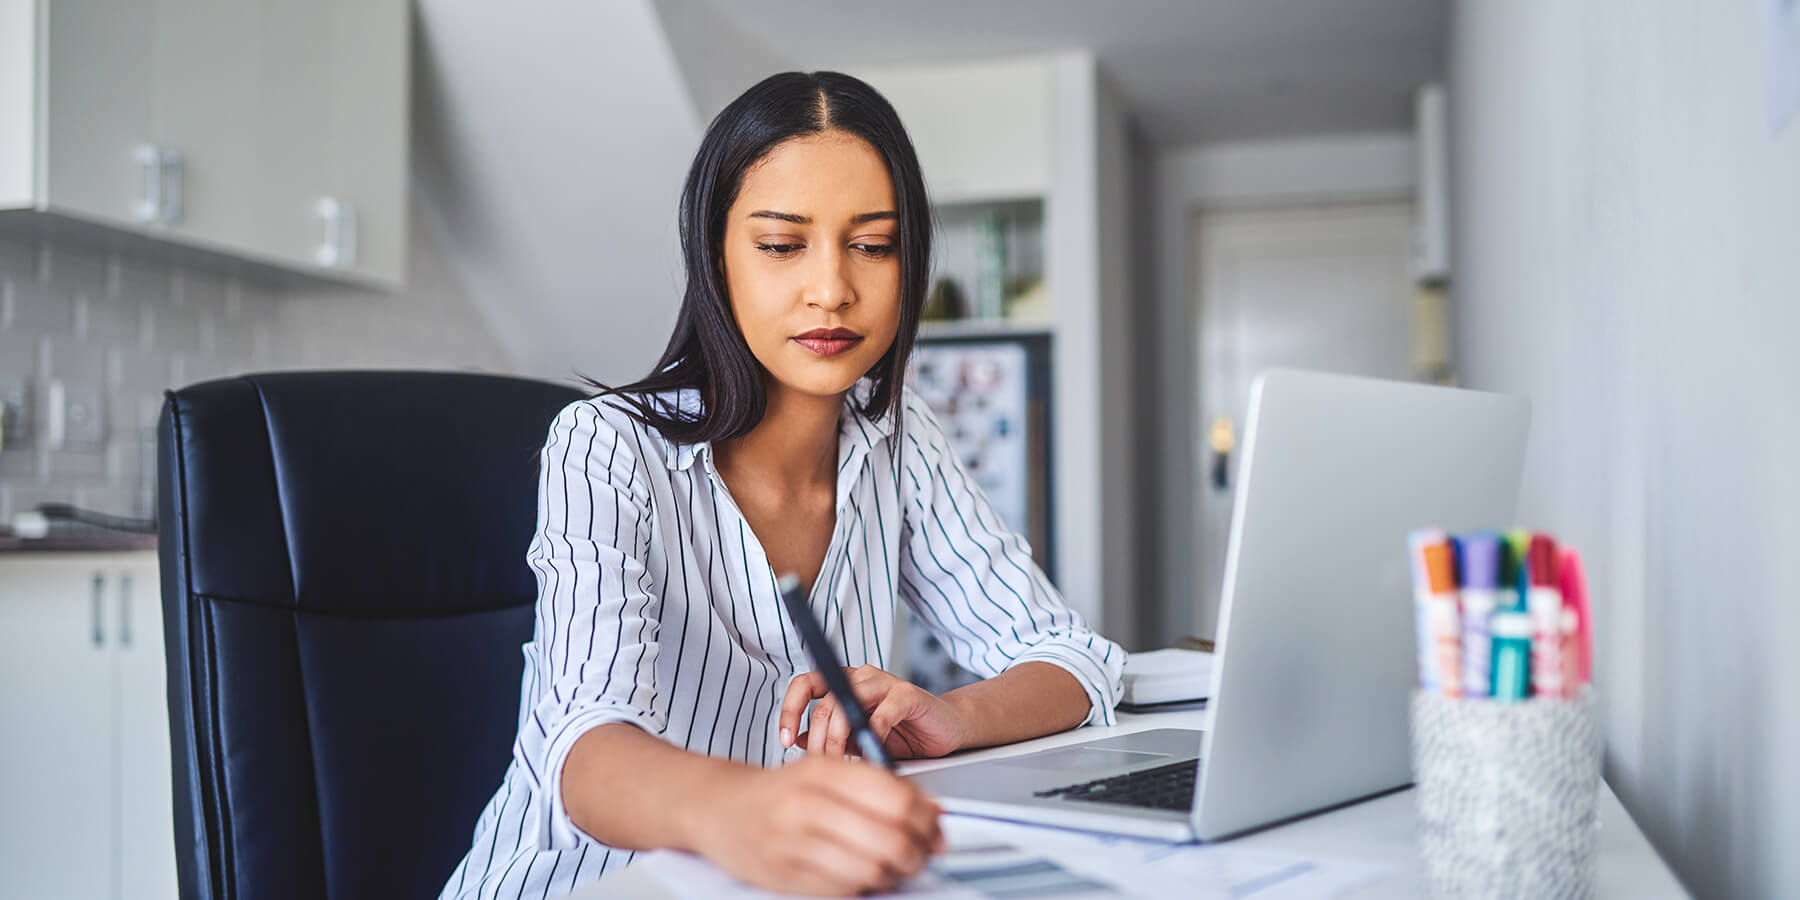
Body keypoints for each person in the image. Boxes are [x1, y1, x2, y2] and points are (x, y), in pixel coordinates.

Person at [442, 71, 1124, 900]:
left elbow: (1072, 660)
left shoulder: (902, 443)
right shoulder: (609, 445)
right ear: (717, 256)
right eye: (781, 244)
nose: (832, 288)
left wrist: (957, 716)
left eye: (872, 245)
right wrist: (752, 809)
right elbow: (584, 750)